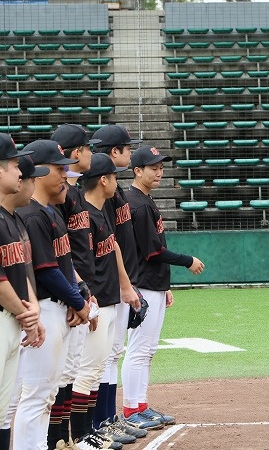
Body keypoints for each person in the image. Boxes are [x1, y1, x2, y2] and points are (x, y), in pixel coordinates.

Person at [10, 141, 91, 450]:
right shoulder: (32, 215)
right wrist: (79, 302)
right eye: (59, 169)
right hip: (43, 307)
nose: (64, 175)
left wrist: (76, 296)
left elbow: (62, 266)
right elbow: (46, 271)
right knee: (36, 395)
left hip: (56, 307)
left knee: (46, 394)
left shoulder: (49, 211)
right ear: (40, 172)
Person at [122, 146, 203, 423]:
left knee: (148, 349)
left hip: (152, 283)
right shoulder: (138, 203)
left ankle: (141, 405)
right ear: (137, 171)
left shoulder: (143, 199)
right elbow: (153, 251)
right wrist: (187, 260)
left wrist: (164, 284)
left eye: (161, 168)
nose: (159, 172)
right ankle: (131, 409)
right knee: (139, 349)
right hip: (143, 284)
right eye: (153, 168)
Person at [91, 125, 162, 433]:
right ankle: (102, 421)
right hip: (110, 285)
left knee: (113, 353)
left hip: (122, 282)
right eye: (128, 149)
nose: (130, 153)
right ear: (114, 152)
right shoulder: (103, 193)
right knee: (106, 356)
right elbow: (110, 243)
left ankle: (110, 420)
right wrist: (125, 283)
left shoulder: (115, 190)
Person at [69, 153, 138, 447]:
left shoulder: (99, 213)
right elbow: (80, 264)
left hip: (109, 299)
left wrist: (125, 286)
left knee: (97, 369)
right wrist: (90, 301)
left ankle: (90, 431)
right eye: (114, 176)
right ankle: (81, 434)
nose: (116, 182)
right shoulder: (84, 216)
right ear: (103, 180)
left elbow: (114, 250)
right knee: (87, 371)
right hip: (96, 302)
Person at [0, 138, 43, 450]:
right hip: (5, 318)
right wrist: (26, 313)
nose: (20, 172)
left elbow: (21, 270)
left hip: (13, 320)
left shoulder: (11, 219)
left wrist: (31, 312)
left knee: (4, 411)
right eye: (15, 165)